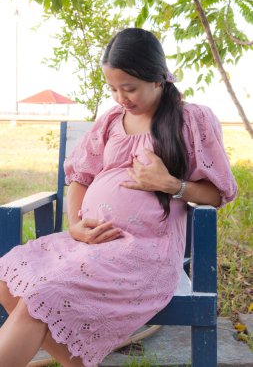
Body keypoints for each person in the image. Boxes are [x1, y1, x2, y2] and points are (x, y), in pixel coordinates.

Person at [0, 28, 237, 367]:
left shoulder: (190, 120)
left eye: (130, 88)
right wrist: (76, 225)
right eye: (113, 88)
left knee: (40, 296)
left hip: (142, 253)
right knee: (8, 280)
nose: (121, 97)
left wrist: (173, 184)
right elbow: (80, 177)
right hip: (90, 243)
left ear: (158, 78)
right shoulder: (112, 119)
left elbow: (218, 193)